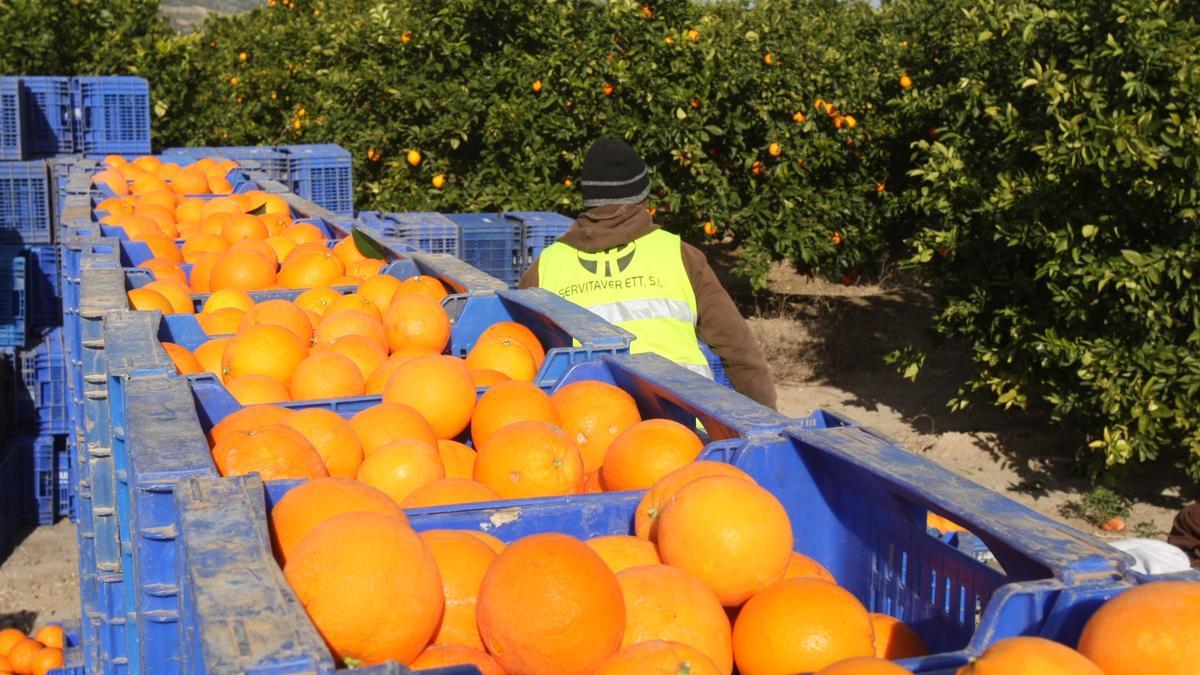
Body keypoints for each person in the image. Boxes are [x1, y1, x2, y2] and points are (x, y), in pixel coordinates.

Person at [519, 137, 776, 409]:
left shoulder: (547, 265)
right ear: (644, 198)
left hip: (586, 429)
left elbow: (519, 350)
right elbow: (739, 351)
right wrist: (770, 426)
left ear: (588, 200)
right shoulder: (679, 254)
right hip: (685, 431)